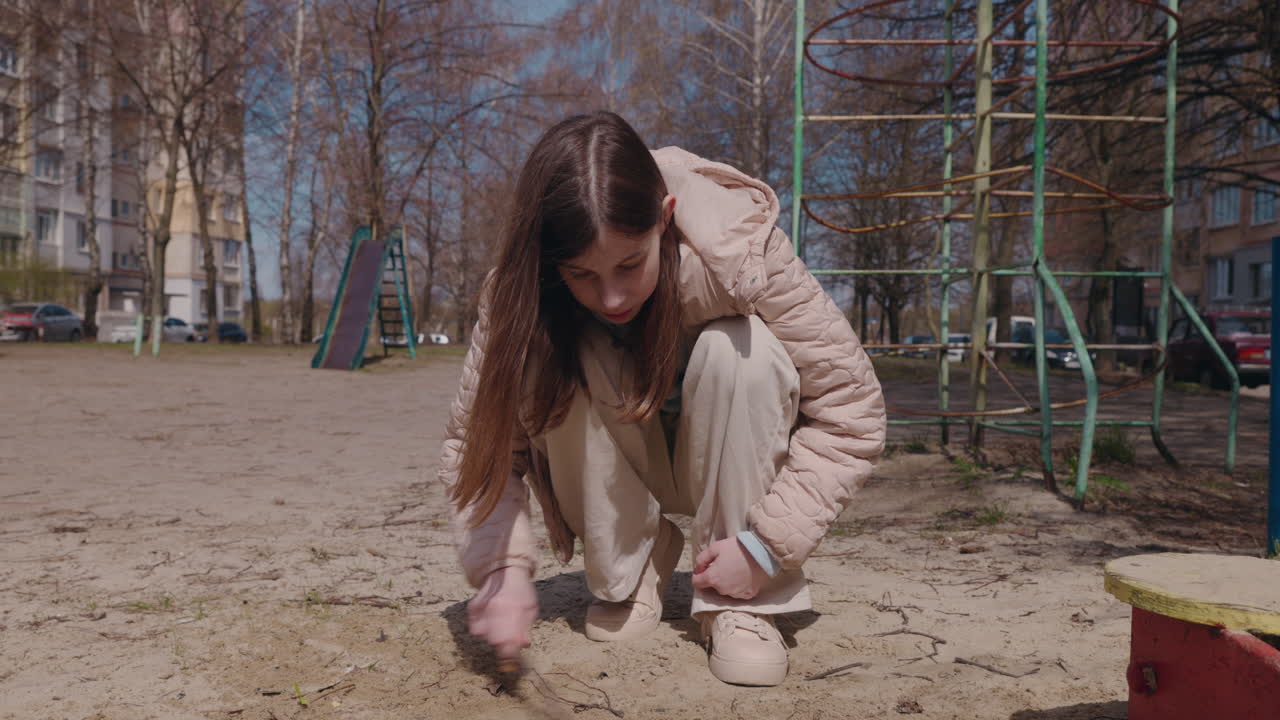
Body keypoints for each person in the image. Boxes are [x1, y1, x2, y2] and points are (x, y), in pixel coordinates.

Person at [438, 111, 885, 687]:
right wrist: (500, 568)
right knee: (549, 358)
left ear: (664, 218)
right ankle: (629, 567)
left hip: (734, 464)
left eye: (630, 263)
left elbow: (853, 409)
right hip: (624, 460)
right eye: (582, 275)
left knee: (739, 348)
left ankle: (741, 602)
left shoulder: (744, 255)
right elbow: (480, 445)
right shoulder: (520, 292)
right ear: (553, 261)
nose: (612, 295)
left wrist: (768, 546)